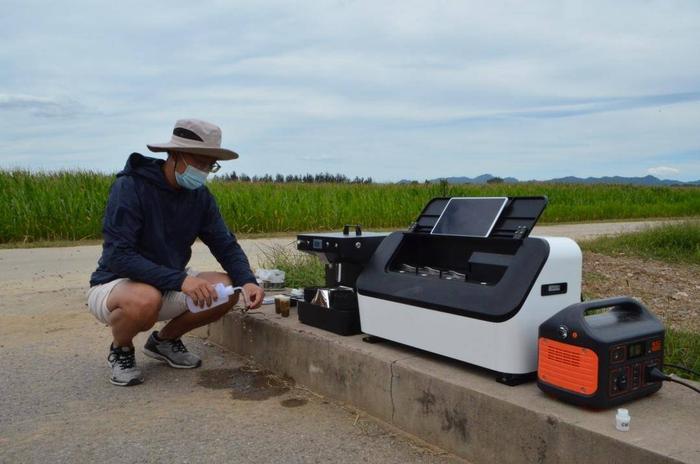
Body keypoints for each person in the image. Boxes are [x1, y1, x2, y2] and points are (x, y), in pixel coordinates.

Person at [87, 119, 264, 386]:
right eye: (198, 161)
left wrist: (248, 280)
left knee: (227, 289)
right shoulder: (131, 187)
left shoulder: (200, 197)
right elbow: (118, 256)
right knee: (145, 300)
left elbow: (224, 243)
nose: (203, 170)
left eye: (210, 164)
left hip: (168, 281)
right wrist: (182, 281)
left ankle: (164, 342)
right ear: (174, 154)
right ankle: (121, 350)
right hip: (117, 283)